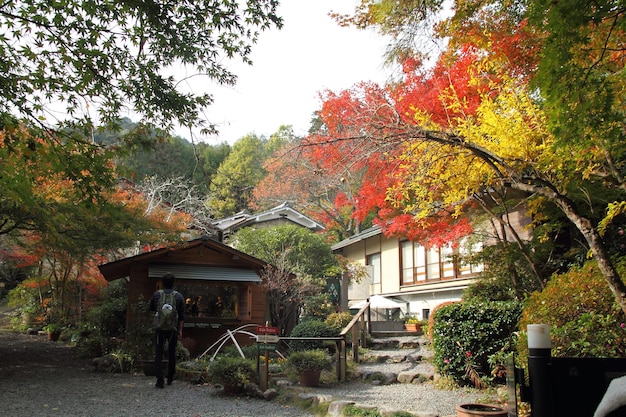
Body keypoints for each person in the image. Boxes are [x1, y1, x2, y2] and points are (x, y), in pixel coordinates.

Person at [149, 273, 185, 388]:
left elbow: (151, 310)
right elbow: (181, 316)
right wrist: (180, 330)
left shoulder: (156, 295)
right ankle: (170, 377)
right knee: (171, 352)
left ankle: (160, 380)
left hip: (159, 328)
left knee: (159, 353)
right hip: (173, 328)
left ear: (162, 282)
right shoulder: (178, 296)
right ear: (173, 283)